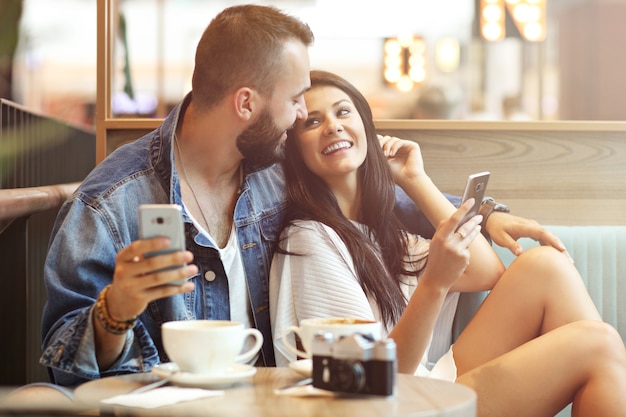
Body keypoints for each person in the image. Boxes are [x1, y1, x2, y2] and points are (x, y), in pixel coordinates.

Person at [39, 4, 568, 388]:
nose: (299, 118)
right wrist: (117, 309)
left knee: (560, 293)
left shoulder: (272, 171)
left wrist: (489, 213)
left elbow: (377, 201)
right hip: (184, 406)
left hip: (286, 402)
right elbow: (63, 361)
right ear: (246, 103)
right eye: (296, 102)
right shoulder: (108, 204)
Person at [270, 70, 626, 416]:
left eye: (343, 111)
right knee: (599, 343)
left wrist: (415, 179)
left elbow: (486, 271)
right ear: (295, 149)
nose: (333, 125)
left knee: (545, 266)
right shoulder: (309, 239)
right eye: (312, 122)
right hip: (393, 402)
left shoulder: (380, 228)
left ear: (367, 126)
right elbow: (368, 386)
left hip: (426, 383)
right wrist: (434, 283)